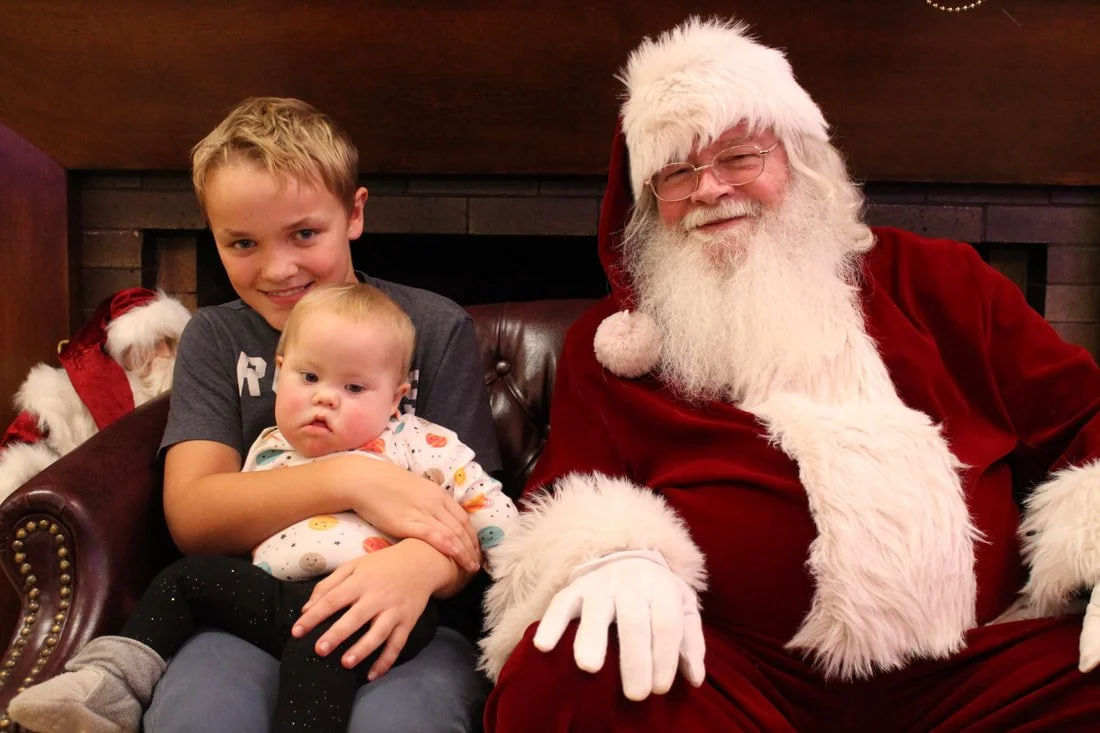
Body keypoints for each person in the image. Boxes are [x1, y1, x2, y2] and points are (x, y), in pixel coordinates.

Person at [479, 16, 1100, 732]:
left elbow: (1084, 415)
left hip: (974, 678)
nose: (710, 188)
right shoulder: (612, 345)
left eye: (739, 156)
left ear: (799, 160)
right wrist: (610, 555)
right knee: (565, 670)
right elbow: (566, 488)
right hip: (738, 685)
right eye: (677, 171)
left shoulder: (942, 281)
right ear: (651, 203)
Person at [133, 96, 501, 733]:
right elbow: (194, 517)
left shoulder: (433, 327)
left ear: (354, 213)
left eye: (304, 233)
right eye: (243, 242)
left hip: (412, 615)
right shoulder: (216, 340)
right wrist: (352, 478)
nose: (279, 268)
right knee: (203, 717)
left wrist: (416, 566)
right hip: (252, 613)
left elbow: (479, 523)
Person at [9, 283, 517, 733]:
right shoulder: (272, 444)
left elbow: (486, 508)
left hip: (373, 602)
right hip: (275, 596)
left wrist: (501, 573)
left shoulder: (417, 441)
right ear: (280, 373)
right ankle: (107, 684)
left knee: (316, 655)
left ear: (396, 398)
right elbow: (217, 517)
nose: (325, 400)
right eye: (310, 377)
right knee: (184, 580)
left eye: (354, 388)